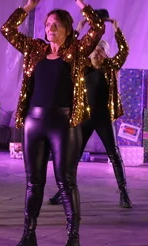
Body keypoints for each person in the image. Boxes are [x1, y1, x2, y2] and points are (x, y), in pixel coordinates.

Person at [1, 0, 104, 246]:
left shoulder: (77, 51)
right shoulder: (35, 49)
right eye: (47, 24)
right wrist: (28, 7)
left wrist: (81, 4)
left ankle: (73, 238)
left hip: (63, 122)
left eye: (56, 25)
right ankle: (29, 235)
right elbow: (7, 29)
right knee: (33, 182)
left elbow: (98, 28)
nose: (50, 29)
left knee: (65, 181)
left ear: (68, 29)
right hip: (34, 122)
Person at [49, 14, 133, 209]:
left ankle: (124, 193)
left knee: (114, 154)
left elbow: (124, 50)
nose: (97, 53)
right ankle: (63, 191)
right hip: (85, 117)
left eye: (101, 50)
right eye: (95, 49)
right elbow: (69, 51)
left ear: (106, 54)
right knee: (74, 155)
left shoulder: (110, 67)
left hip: (103, 118)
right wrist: (78, 29)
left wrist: (117, 29)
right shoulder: (82, 66)